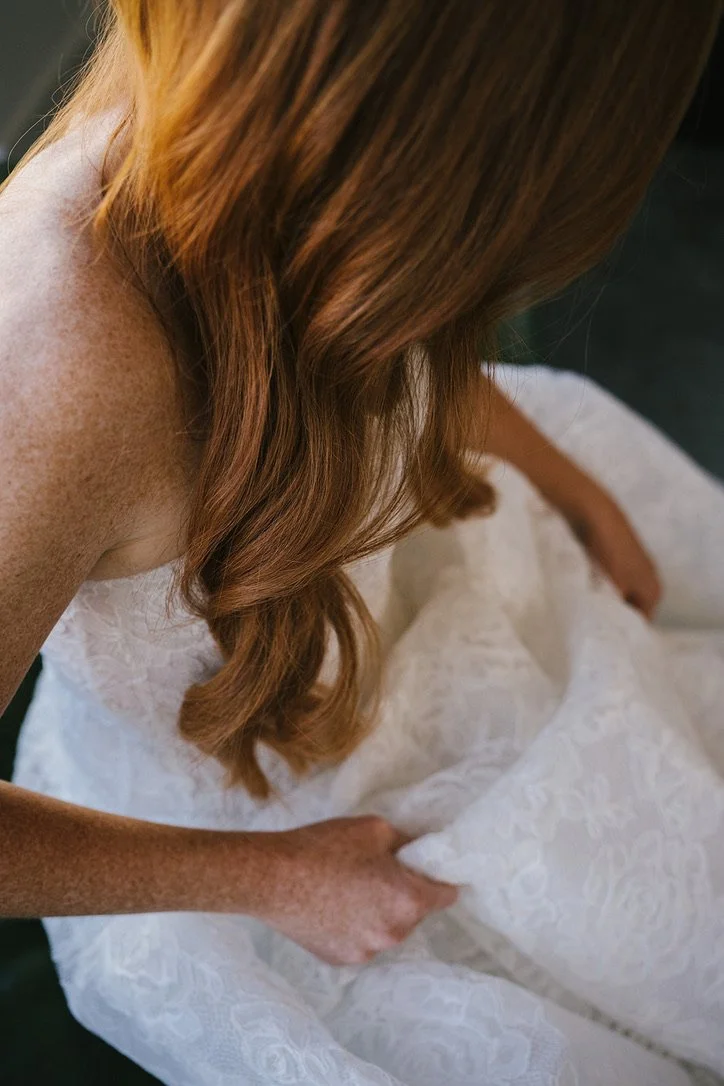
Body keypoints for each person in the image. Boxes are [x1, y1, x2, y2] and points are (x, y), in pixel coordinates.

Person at [1, 2, 723, 1083]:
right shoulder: (55, 376)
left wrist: (571, 489)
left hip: (417, 597)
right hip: (264, 808)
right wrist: (279, 879)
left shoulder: (295, 191)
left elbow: (394, 352)